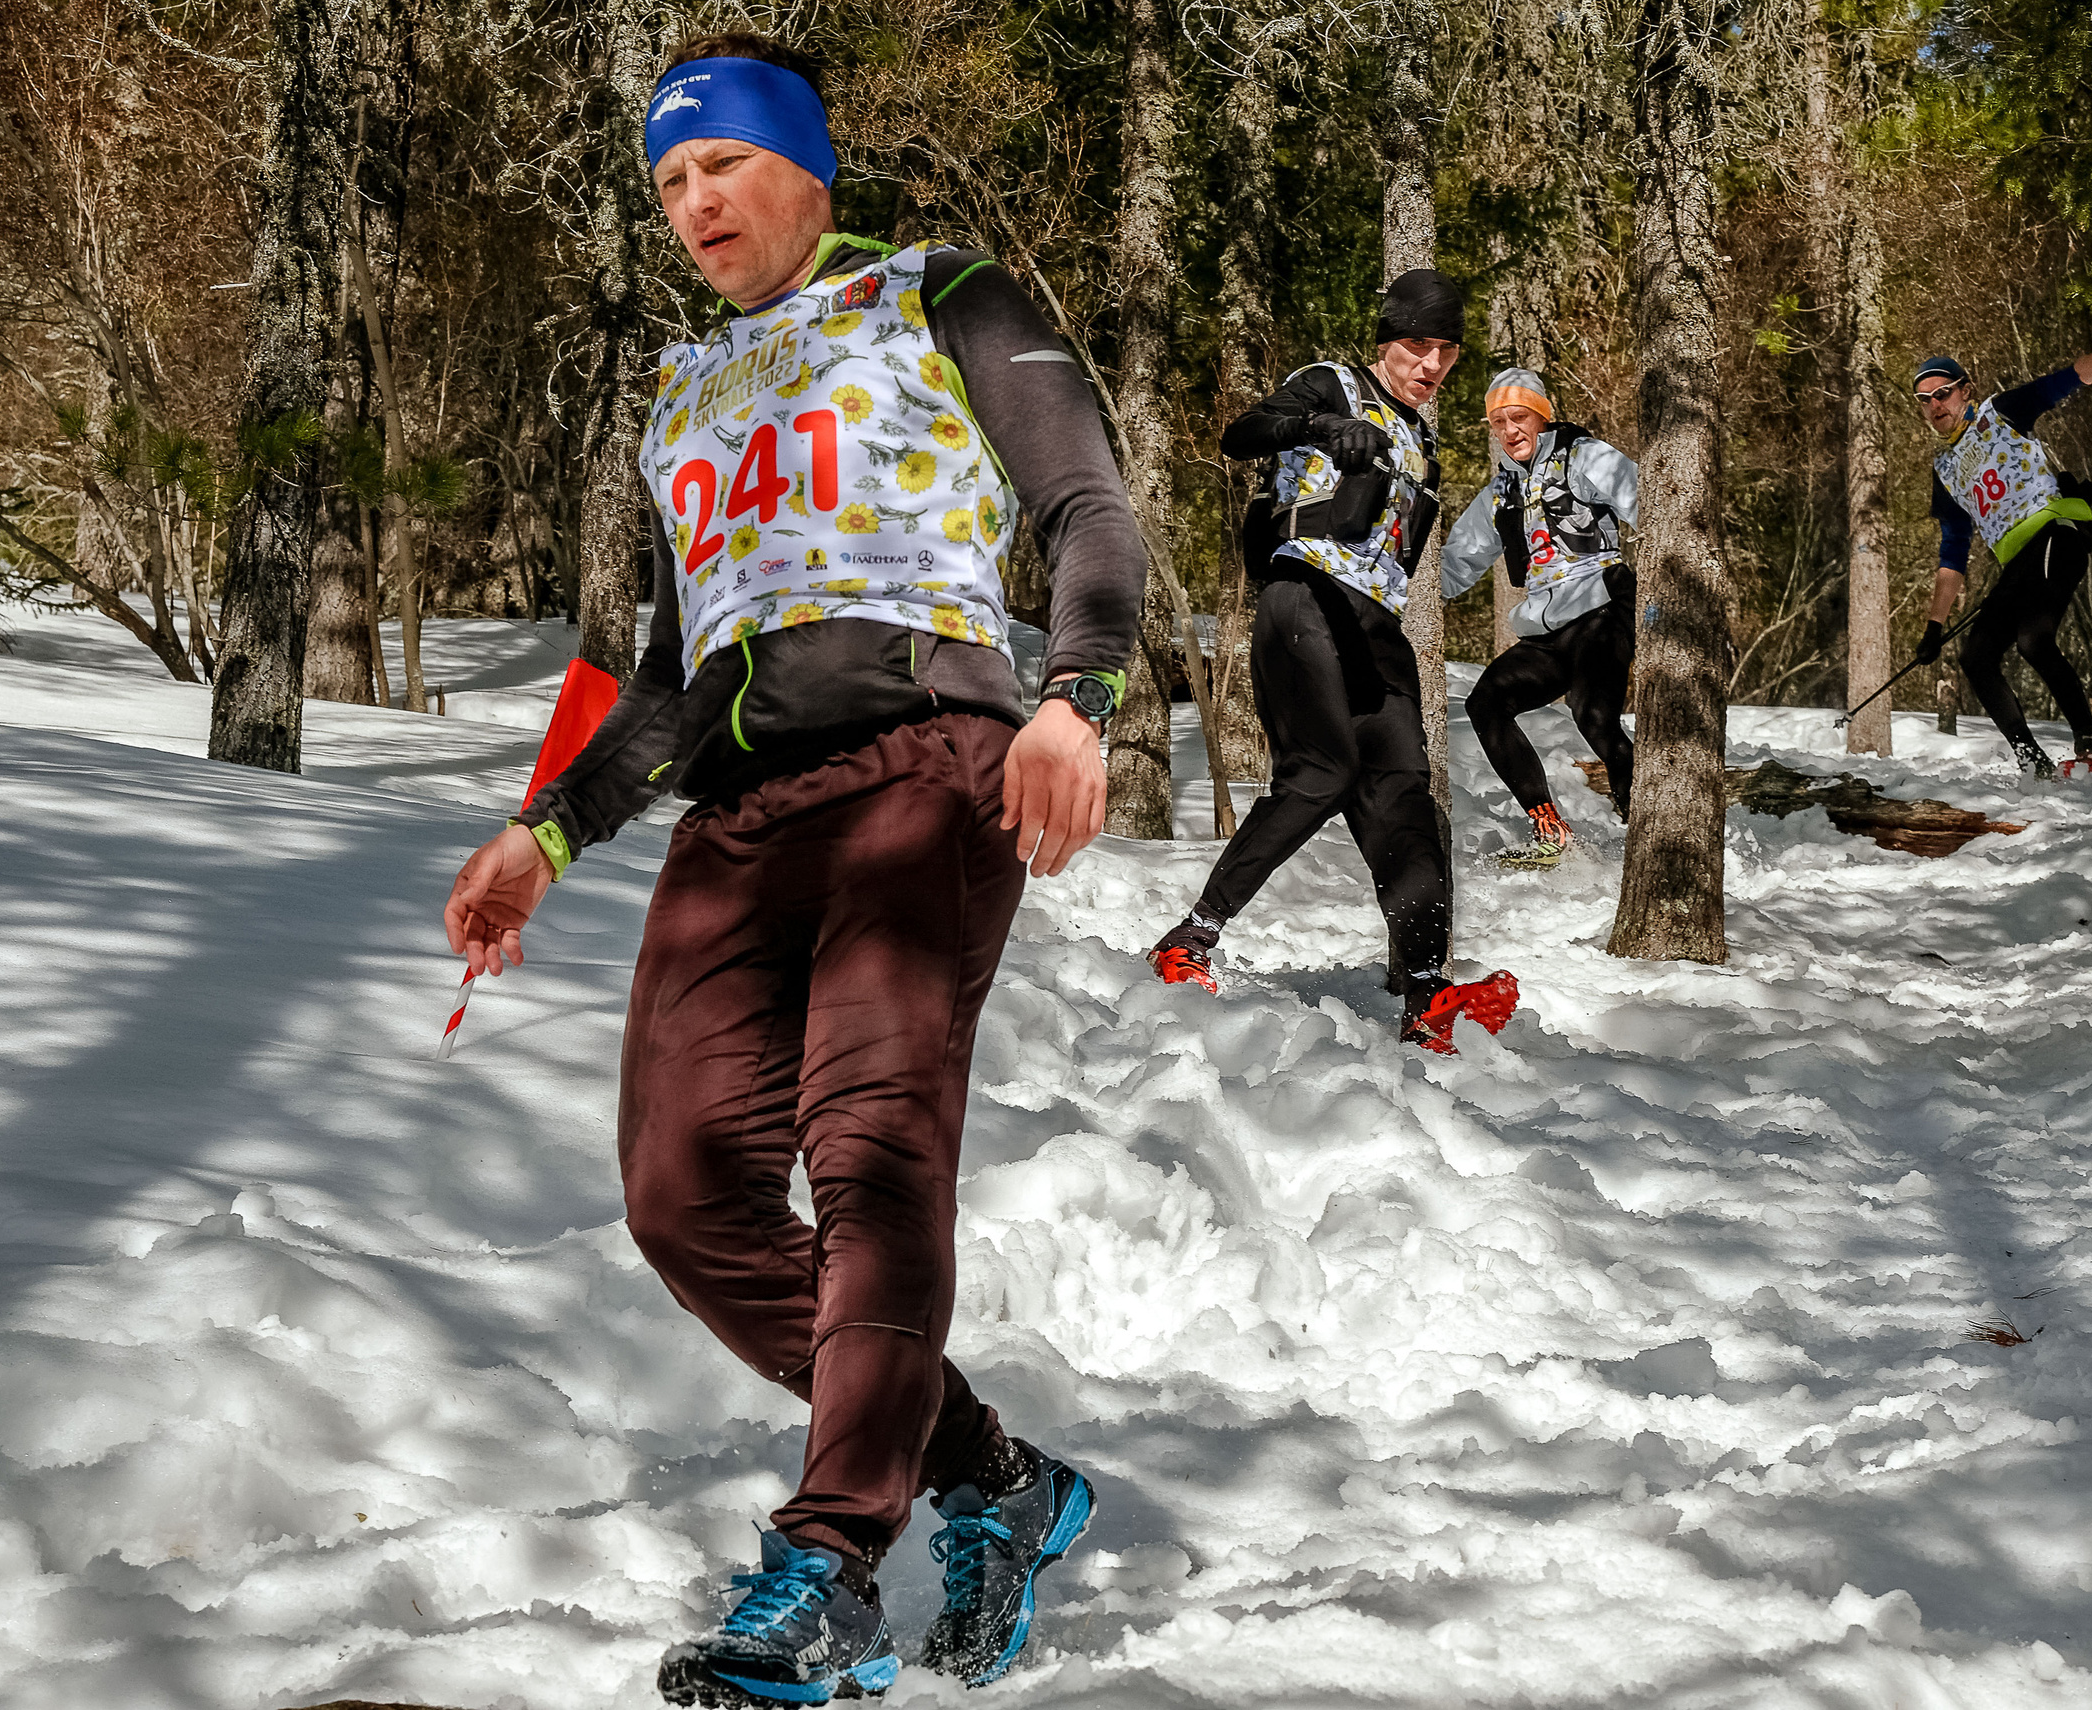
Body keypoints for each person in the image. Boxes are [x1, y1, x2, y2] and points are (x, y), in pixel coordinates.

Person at [439, 34, 1144, 1707]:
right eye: (669, 180)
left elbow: (1088, 509)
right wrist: (545, 833)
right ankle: (991, 1476)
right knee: (681, 1198)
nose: (695, 202)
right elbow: (674, 674)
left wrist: (1078, 695)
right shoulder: (683, 394)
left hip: (931, 768)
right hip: (739, 817)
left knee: (872, 1158)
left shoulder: (940, 296)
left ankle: (827, 1570)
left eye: (724, 165)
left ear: (808, 168)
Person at [1143, 271, 1517, 1054]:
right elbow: (1242, 433)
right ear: (1388, 339)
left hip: (1376, 628)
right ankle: (1190, 937)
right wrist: (1323, 427)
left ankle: (1426, 997)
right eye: (1418, 344)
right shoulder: (1332, 383)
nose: (1432, 364)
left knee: (1405, 793)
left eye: (1448, 351)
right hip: (1304, 598)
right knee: (1322, 770)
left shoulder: (1425, 442)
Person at [1910, 322, 2092, 780]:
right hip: (2017, 563)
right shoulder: (1944, 469)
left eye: (1942, 393)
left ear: (1966, 390)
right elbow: (1953, 552)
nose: (1935, 405)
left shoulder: (1999, 412)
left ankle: (2091, 747)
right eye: (1924, 399)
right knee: (1976, 657)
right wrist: (1934, 625)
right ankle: (2034, 763)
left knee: (2034, 639)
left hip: (2055, 533)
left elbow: (2068, 379)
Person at [1438, 367, 1639, 867]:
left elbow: (1653, 506)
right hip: (1547, 632)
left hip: (1602, 609)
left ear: (1541, 417)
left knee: (1594, 717)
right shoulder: (1500, 492)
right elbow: (1455, 564)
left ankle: (1646, 826)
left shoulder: (1584, 456)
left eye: (1519, 417)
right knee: (1486, 702)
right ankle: (1549, 826)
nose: (1510, 430)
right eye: (1499, 422)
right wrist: (1394, 594)